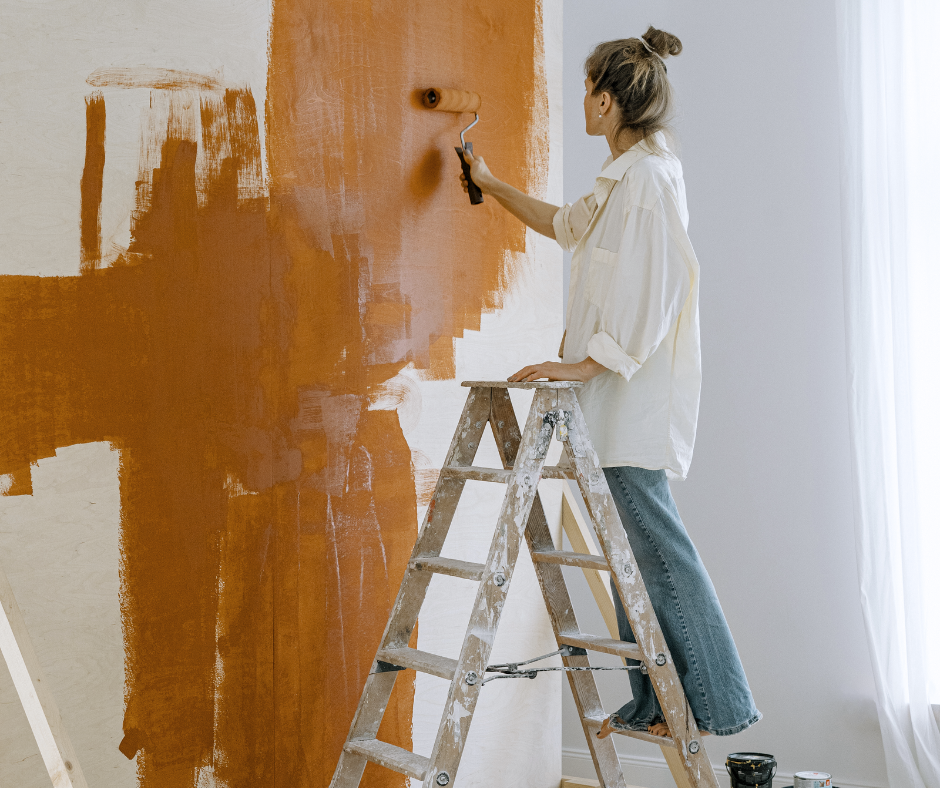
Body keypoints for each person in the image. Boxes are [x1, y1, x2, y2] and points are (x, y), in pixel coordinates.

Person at [458, 26, 761, 739]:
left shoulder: (650, 182)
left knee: (657, 550)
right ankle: (657, 702)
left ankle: (720, 703)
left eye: (589, 92)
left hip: (632, 400)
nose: (582, 104)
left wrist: (583, 362)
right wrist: (491, 184)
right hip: (613, 402)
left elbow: (655, 295)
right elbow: (564, 226)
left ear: (608, 101)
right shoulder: (625, 178)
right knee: (633, 553)